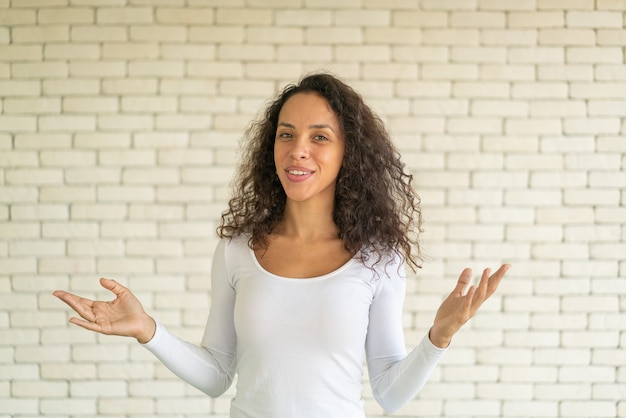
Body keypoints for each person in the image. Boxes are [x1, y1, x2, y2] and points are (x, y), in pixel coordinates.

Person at [54, 73, 510, 418]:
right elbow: (216, 376)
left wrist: (438, 338)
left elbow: (389, 392)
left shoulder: (378, 260)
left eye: (319, 137)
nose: (298, 150)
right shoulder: (238, 249)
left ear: (348, 152)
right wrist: (149, 331)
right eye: (286, 134)